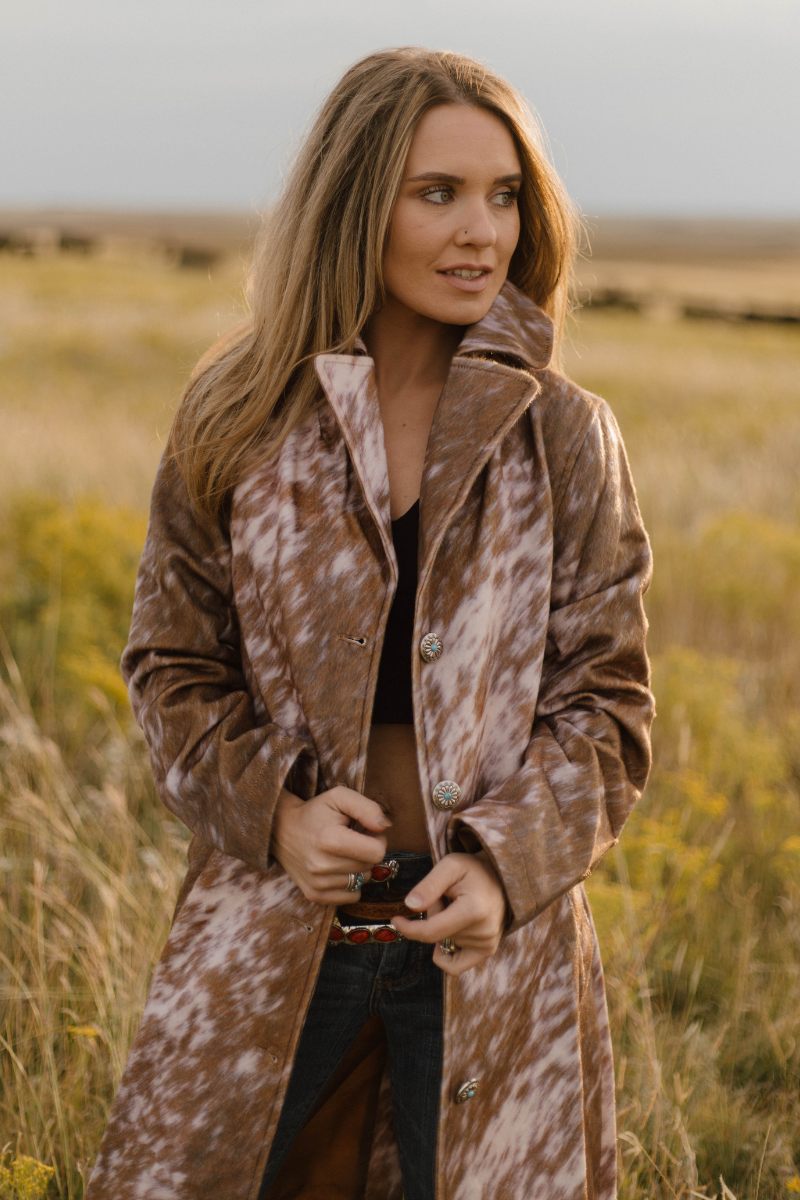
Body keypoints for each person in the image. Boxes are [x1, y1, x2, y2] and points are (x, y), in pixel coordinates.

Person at [85, 47, 654, 1200]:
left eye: (503, 195)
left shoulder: (563, 435)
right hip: (270, 936)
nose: (480, 232)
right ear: (353, 206)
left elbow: (607, 708)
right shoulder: (239, 418)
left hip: (487, 953)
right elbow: (172, 667)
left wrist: (502, 867)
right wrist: (277, 815)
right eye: (436, 192)